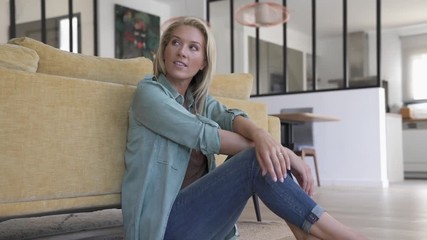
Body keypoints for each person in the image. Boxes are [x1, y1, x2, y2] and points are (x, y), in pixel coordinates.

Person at [121, 16, 367, 240]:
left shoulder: (198, 102)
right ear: (164, 50)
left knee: (262, 152)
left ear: (203, 62)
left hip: (198, 221)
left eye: (193, 47)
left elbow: (230, 117)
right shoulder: (149, 94)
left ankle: (307, 235)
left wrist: (262, 136)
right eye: (175, 43)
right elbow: (204, 135)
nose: (182, 52)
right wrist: (287, 154)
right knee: (255, 159)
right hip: (161, 229)